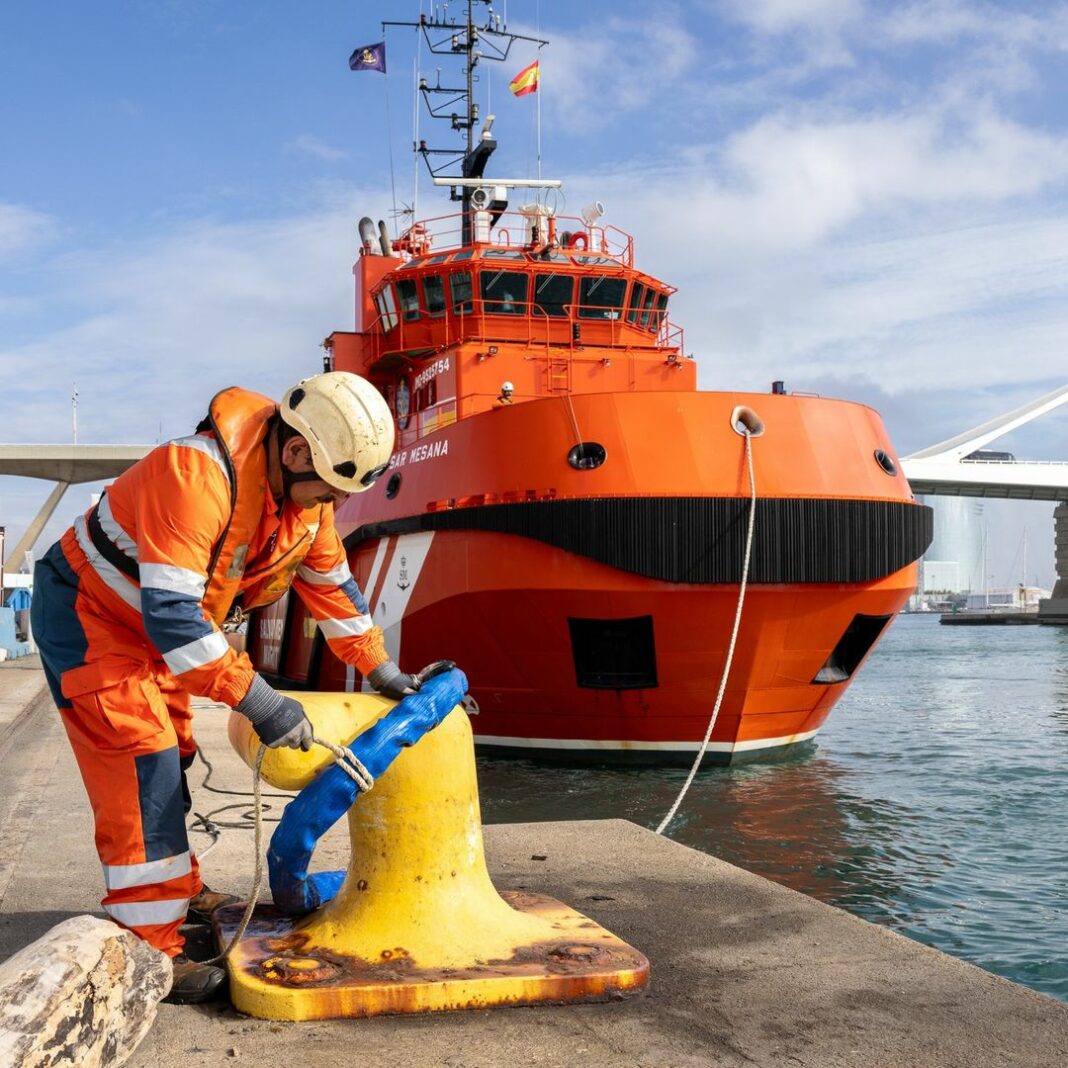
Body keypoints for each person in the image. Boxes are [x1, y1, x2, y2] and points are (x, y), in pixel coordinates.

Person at [31, 371, 449, 1004]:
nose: (327, 505)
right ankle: (150, 951)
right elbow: (173, 617)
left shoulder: (305, 507)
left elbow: (335, 593)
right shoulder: (193, 477)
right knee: (142, 763)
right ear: (295, 452)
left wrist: (381, 670)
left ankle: (180, 891)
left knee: (175, 755)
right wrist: (260, 700)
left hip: (153, 631)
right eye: (326, 489)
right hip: (92, 618)